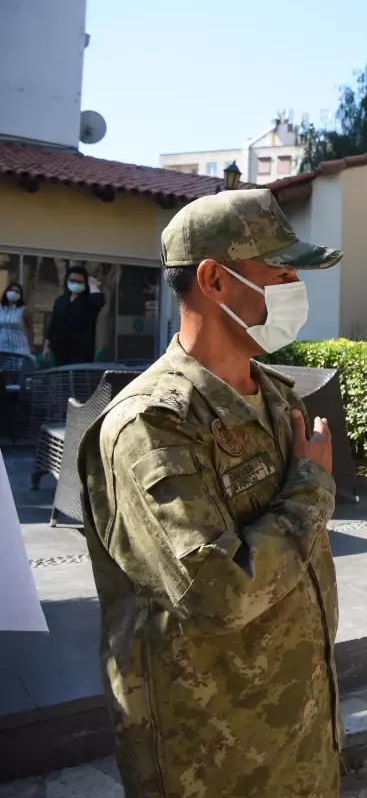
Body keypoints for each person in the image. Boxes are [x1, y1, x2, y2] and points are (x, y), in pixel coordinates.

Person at [76, 188, 344, 796]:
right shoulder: (149, 424)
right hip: (211, 760)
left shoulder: (278, 398)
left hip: (299, 742)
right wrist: (310, 489)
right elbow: (216, 591)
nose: (294, 285)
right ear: (213, 280)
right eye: (279, 271)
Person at [44, 265, 105, 365]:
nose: (75, 284)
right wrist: (47, 345)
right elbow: (53, 324)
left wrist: (92, 284)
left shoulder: (88, 301)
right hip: (60, 351)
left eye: (80, 282)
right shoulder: (61, 301)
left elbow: (98, 301)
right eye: (72, 280)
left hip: (81, 352)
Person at [0, 282, 33, 358]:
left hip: (19, 347)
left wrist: (30, 345)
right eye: (11, 291)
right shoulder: (1, 308)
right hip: (2, 345)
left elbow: (30, 329)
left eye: (17, 292)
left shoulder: (24, 310)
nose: (13, 293)